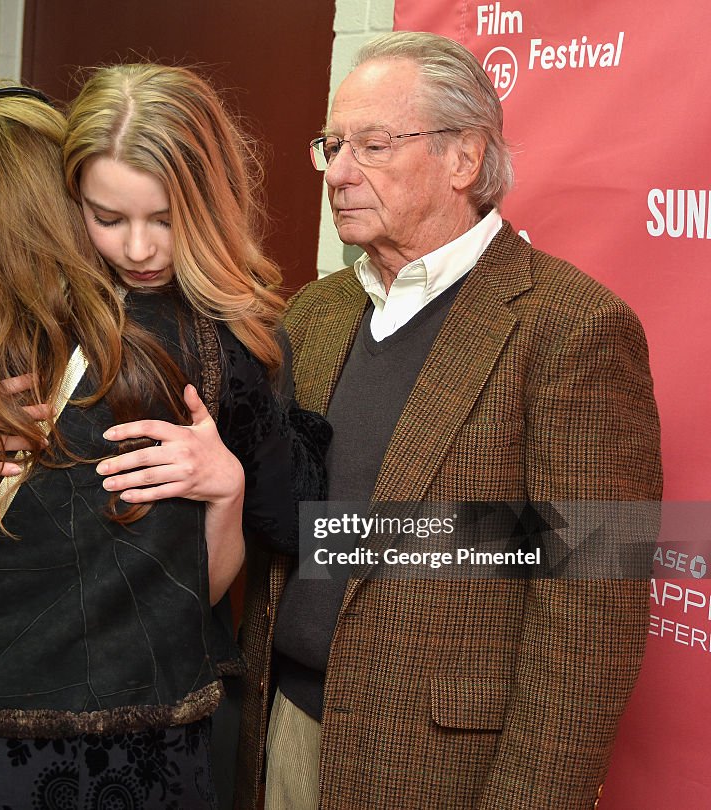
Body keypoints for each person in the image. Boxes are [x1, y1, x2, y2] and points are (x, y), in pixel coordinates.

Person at [0, 76, 320, 808]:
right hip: (64, 741)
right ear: (67, 201)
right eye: (108, 217)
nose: (139, 248)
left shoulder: (199, 343)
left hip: (33, 742)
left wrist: (226, 484)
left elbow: (215, 571)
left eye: (163, 218)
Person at [233, 31, 663, 810]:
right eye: (332, 145)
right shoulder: (316, 312)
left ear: (464, 159)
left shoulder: (574, 328)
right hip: (284, 729)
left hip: (441, 771)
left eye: (372, 144)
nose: (339, 171)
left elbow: (590, 620)